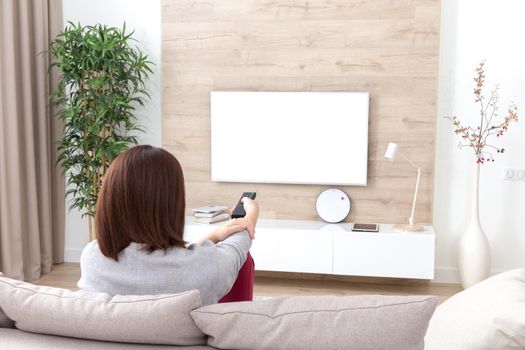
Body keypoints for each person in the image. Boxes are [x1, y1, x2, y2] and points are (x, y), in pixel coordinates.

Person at [78, 145, 258, 305]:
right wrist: (250, 210)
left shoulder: (92, 257)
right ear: (172, 204)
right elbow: (237, 247)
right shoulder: (204, 266)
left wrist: (214, 235)